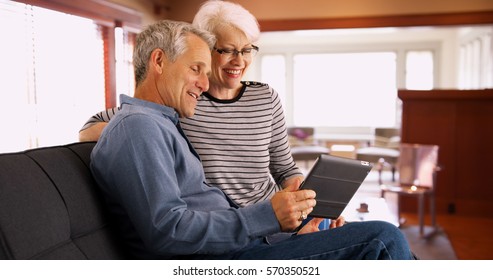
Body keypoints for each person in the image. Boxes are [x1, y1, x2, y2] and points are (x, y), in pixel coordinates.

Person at [90, 19, 414, 260]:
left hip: (247, 244)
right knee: (382, 239)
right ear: (158, 62)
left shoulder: (160, 123)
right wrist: (268, 218)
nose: (204, 84)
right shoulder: (139, 127)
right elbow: (167, 232)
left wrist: (286, 225)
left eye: (206, 71)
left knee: (374, 239)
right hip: (223, 260)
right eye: (196, 69)